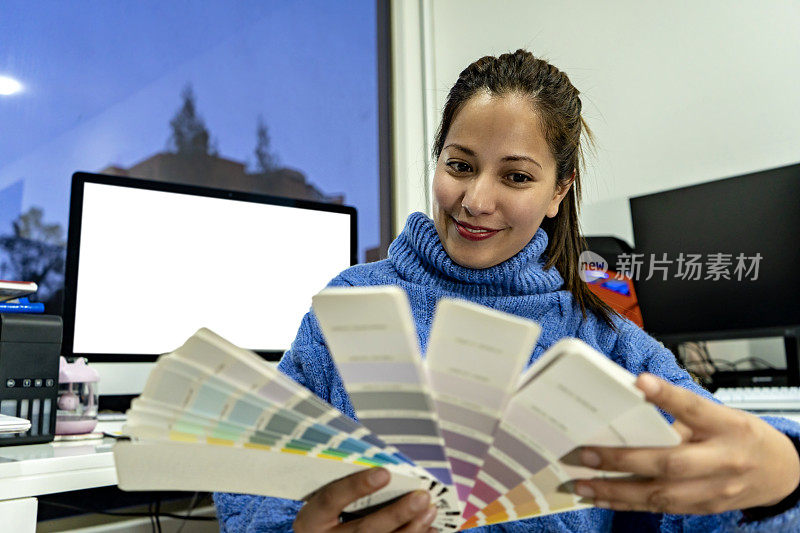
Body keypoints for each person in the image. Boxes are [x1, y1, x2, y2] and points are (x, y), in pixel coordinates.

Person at [214, 50, 800, 532]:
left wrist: (782, 479)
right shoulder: (349, 306)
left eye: (516, 176)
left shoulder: (609, 342)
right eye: (460, 165)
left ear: (557, 193)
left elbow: (717, 487)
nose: (476, 201)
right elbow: (250, 478)